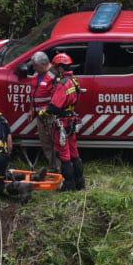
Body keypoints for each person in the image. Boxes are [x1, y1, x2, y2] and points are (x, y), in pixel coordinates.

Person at [46, 53, 85, 191]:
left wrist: (44, 111)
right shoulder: (74, 80)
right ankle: (80, 183)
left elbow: (54, 107)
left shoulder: (62, 84)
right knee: (74, 152)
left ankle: (68, 185)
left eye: (56, 68)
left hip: (62, 122)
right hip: (71, 120)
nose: (55, 70)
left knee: (64, 153)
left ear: (61, 68)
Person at [23, 51, 58, 177]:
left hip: (50, 116)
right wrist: (32, 109)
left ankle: (57, 167)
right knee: (45, 142)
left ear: (43, 64)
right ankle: (53, 165)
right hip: (39, 114)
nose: (34, 68)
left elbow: (57, 98)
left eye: (35, 66)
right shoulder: (38, 74)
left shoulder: (54, 76)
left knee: (54, 142)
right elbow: (35, 93)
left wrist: (50, 112)